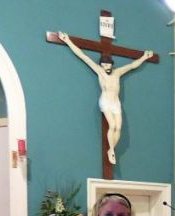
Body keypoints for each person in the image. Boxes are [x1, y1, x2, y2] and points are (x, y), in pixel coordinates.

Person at [57, 32, 153, 165]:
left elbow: (132, 65)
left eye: (108, 65)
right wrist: (68, 41)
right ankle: (112, 150)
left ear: (111, 65)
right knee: (112, 125)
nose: (105, 67)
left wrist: (144, 57)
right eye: (103, 65)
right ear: (101, 65)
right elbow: (83, 56)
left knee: (118, 127)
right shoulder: (99, 71)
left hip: (116, 102)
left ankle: (111, 150)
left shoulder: (118, 72)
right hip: (106, 101)